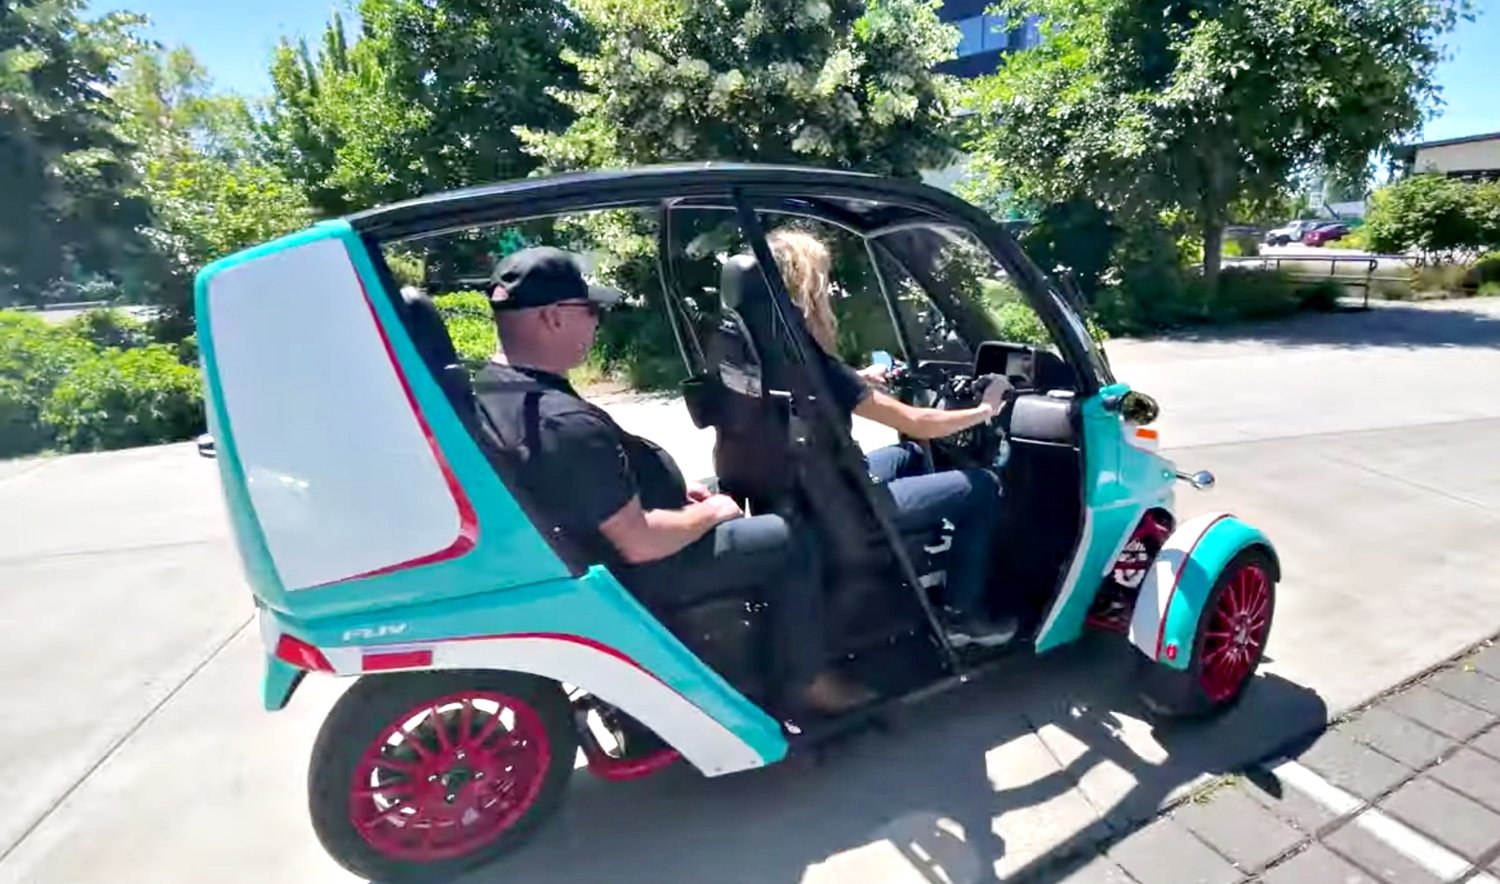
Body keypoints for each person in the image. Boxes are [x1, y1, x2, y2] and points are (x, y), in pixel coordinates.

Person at [470, 246, 874, 714]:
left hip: (595, 549)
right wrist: (708, 513)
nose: (597, 322)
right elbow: (638, 542)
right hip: (641, 569)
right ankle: (807, 681)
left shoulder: (500, 386)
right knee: (786, 536)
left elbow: (589, 487)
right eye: (590, 310)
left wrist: (675, 500)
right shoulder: (560, 420)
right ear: (554, 318)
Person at [765, 228, 1017, 648]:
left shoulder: (771, 347)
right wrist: (986, 409)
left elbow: (821, 393)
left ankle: (931, 556)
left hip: (813, 485)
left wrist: (859, 379)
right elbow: (917, 420)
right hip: (848, 500)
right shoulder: (812, 360)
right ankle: (961, 615)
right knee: (984, 487)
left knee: (909, 455)